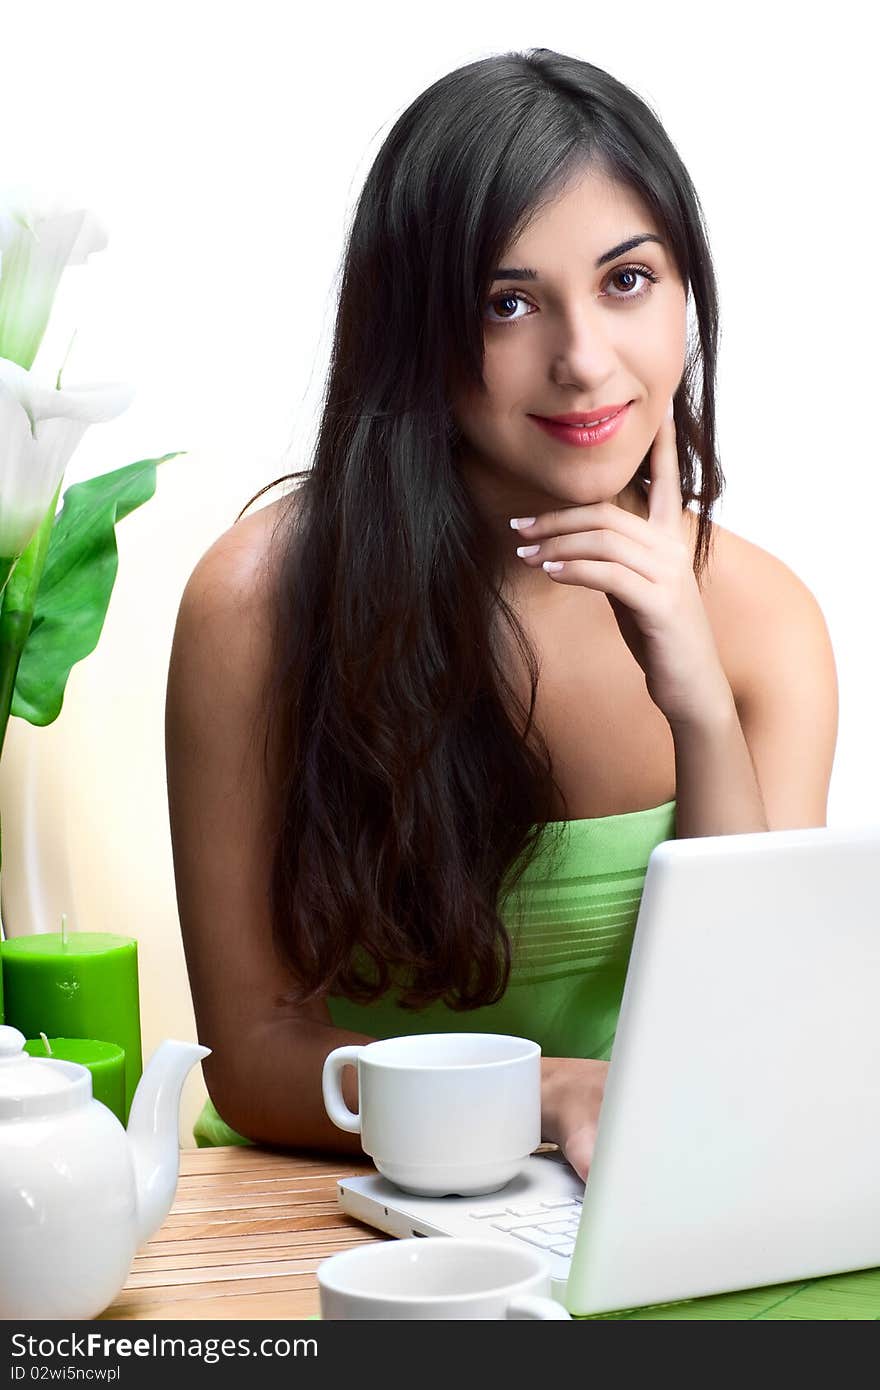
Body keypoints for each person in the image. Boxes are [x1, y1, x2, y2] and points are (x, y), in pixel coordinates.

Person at [165, 48, 838, 1181]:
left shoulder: (763, 620)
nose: (582, 360)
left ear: (685, 294)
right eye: (509, 302)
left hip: (627, 1197)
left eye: (627, 280)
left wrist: (699, 709)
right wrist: (553, 1091)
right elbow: (255, 1057)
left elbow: (743, 1050)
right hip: (325, 1198)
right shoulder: (257, 605)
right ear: (415, 329)